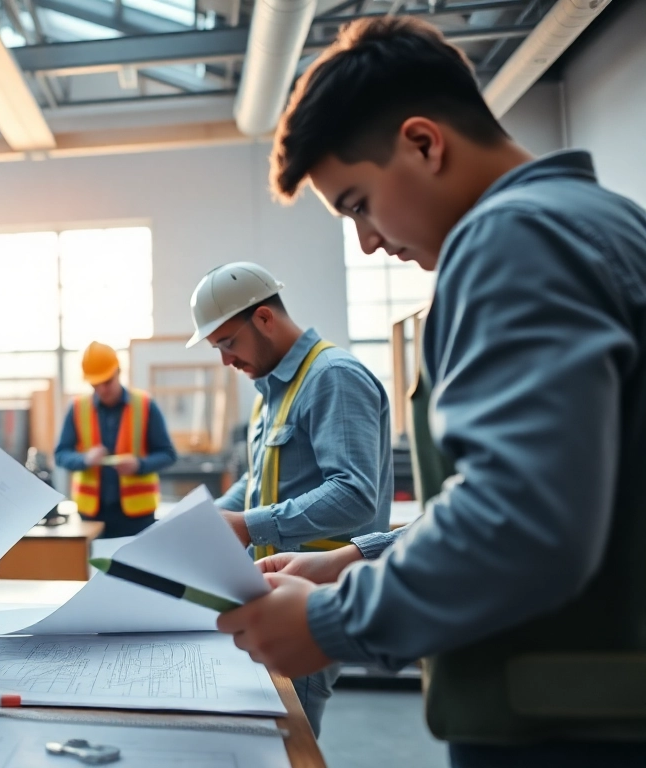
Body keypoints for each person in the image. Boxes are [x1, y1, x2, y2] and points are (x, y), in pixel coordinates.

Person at [215, 17, 646, 767]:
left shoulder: (515, 240)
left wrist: (330, 618)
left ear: (423, 142)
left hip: (572, 729)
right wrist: (355, 559)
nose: (369, 242)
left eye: (357, 204)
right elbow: (561, 493)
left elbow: (522, 523)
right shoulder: (602, 223)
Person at [190, 261, 391, 736]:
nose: (225, 360)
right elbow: (259, 484)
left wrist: (247, 524)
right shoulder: (271, 389)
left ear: (264, 319)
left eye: (227, 343)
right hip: (269, 589)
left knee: (285, 742)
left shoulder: (333, 377)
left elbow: (355, 495)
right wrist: (205, 519)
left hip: (311, 595)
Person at [54, 341, 177, 539]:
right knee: (95, 569)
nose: (102, 389)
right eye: (95, 384)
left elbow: (168, 454)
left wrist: (139, 464)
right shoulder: (77, 408)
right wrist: (85, 460)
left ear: (119, 372)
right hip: (91, 514)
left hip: (138, 516)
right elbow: (61, 455)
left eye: (107, 381)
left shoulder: (145, 405)